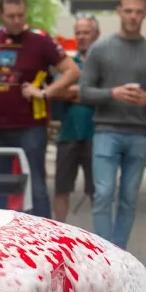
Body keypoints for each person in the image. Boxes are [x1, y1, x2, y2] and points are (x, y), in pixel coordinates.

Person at [0, 0, 80, 218]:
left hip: (30, 127)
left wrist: (45, 92)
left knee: (36, 185)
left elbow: (72, 71)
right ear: (1, 14)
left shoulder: (40, 40)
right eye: (11, 16)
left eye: (21, 15)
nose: (17, 20)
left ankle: (42, 232)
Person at [78, 0, 146, 249]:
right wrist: (113, 93)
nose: (133, 16)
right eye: (128, 11)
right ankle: (105, 254)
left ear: (145, 14)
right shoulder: (100, 49)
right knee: (104, 194)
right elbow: (84, 92)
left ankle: (120, 251)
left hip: (139, 133)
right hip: (106, 130)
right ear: (119, 12)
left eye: (138, 12)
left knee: (129, 198)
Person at [50, 14, 100, 222]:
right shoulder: (68, 63)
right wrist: (89, 94)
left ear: (96, 35)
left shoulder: (103, 63)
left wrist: (75, 92)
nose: (81, 37)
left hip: (97, 135)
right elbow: (55, 91)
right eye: (78, 33)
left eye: (86, 32)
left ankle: (102, 237)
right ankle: (58, 234)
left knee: (98, 191)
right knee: (61, 189)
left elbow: (108, 93)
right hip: (68, 133)